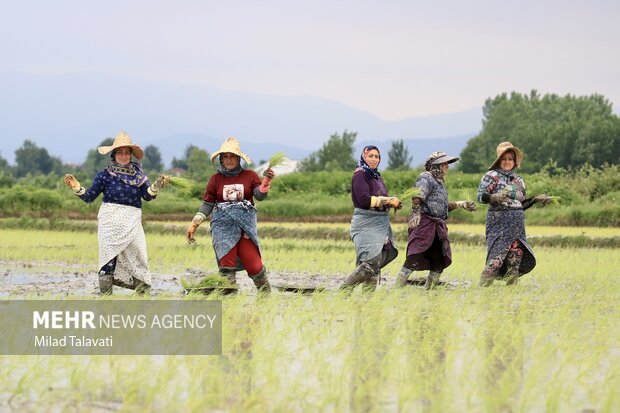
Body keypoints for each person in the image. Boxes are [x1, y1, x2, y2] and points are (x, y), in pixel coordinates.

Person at [63, 131, 169, 294]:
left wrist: (156, 185)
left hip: (132, 221)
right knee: (108, 259)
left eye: (127, 152)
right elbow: (90, 197)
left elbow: (147, 196)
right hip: (109, 222)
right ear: (114, 154)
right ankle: (106, 296)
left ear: (131, 155)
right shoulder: (105, 175)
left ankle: (143, 294)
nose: (124, 155)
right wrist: (76, 187)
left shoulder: (138, 174)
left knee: (139, 255)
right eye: (120, 152)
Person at [186, 137, 274, 293]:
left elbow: (259, 196)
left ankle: (266, 296)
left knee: (255, 266)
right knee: (227, 266)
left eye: (232, 156)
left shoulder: (250, 176)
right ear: (221, 159)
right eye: (225, 157)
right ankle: (229, 297)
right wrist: (195, 223)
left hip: (244, 229)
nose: (229, 160)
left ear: (238, 158)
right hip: (223, 229)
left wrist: (265, 182)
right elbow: (208, 204)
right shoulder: (215, 179)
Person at [395, 152, 477, 290]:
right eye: (444, 164)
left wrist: (460, 204)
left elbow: (441, 207)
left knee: (438, 262)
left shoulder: (440, 184)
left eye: (447, 164)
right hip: (424, 224)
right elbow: (418, 195)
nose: (447, 167)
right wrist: (415, 213)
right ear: (435, 165)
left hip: (436, 228)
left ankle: (430, 292)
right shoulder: (426, 178)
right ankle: (397, 288)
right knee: (414, 257)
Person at [477, 142, 552, 286]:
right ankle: (482, 291)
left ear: (514, 161)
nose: (507, 162)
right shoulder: (491, 176)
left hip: (517, 226)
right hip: (499, 224)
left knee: (515, 259)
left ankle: (511, 294)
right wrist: (493, 197)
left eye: (510, 159)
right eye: (504, 158)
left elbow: (520, 205)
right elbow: (480, 196)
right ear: (499, 160)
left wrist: (535, 199)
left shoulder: (519, 180)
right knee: (495, 260)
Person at [339, 145, 402, 291]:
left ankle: (367, 301)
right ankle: (344, 290)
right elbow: (364, 200)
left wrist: (394, 204)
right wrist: (388, 200)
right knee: (372, 262)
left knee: (376, 261)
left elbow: (382, 199)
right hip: (365, 223)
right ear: (364, 157)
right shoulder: (360, 175)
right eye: (370, 156)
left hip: (380, 223)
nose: (374, 159)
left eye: (377, 156)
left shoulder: (376, 176)